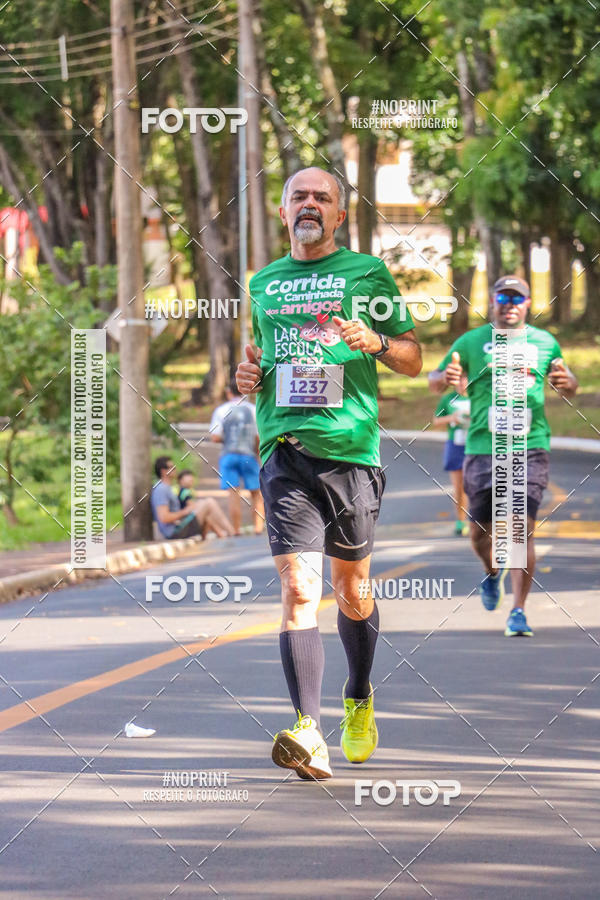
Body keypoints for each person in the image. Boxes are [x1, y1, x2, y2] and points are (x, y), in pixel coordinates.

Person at [236, 166, 422, 779]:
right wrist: (246, 377)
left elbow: (413, 358)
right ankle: (308, 731)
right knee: (298, 591)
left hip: (351, 452)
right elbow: (260, 362)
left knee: (352, 589)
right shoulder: (264, 283)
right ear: (283, 211)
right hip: (284, 451)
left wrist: (376, 342)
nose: (309, 204)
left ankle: (359, 693)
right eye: (299, 196)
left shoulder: (367, 273)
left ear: (340, 215)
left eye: (322, 197)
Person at [428, 275, 577, 637]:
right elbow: (434, 380)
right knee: (480, 535)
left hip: (530, 446)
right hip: (482, 448)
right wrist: (444, 377)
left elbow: (567, 381)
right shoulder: (471, 341)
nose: (510, 305)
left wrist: (568, 383)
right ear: (493, 301)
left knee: (520, 529)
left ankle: (518, 611)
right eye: (504, 297)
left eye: (517, 298)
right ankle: (491, 572)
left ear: (528, 304)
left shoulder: (544, 342)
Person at [209, 380, 265, 535]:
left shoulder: (221, 410)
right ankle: (258, 527)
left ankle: (236, 530)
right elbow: (258, 436)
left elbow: (215, 436)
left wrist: (229, 438)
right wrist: (257, 453)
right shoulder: (252, 410)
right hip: (248, 455)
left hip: (228, 455)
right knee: (256, 493)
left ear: (228, 392)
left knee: (233, 493)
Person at [150, 456, 234, 540]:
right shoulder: (161, 489)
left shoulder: (168, 488)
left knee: (202, 505)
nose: (175, 469)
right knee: (209, 502)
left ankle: (222, 534)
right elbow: (164, 518)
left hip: (179, 526)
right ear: (163, 471)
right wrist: (185, 511)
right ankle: (232, 532)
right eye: (172, 467)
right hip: (174, 532)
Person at [433, 375, 470, 535]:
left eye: (465, 379)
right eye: (459, 379)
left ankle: (482, 521)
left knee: (478, 486)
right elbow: (436, 421)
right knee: (459, 487)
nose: (462, 383)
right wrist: (452, 418)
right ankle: (461, 521)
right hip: (456, 445)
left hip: (476, 445)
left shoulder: (478, 396)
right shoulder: (448, 399)